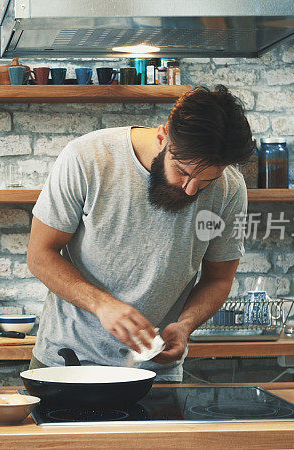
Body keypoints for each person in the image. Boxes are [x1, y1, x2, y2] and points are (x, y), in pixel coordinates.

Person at [27, 85, 255, 381]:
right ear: (163, 137)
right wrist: (102, 305)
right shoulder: (88, 158)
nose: (190, 190)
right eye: (183, 173)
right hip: (66, 364)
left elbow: (219, 278)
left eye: (205, 181)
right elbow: (39, 255)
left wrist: (185, 324)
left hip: (157, 374)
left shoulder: (230, 189)